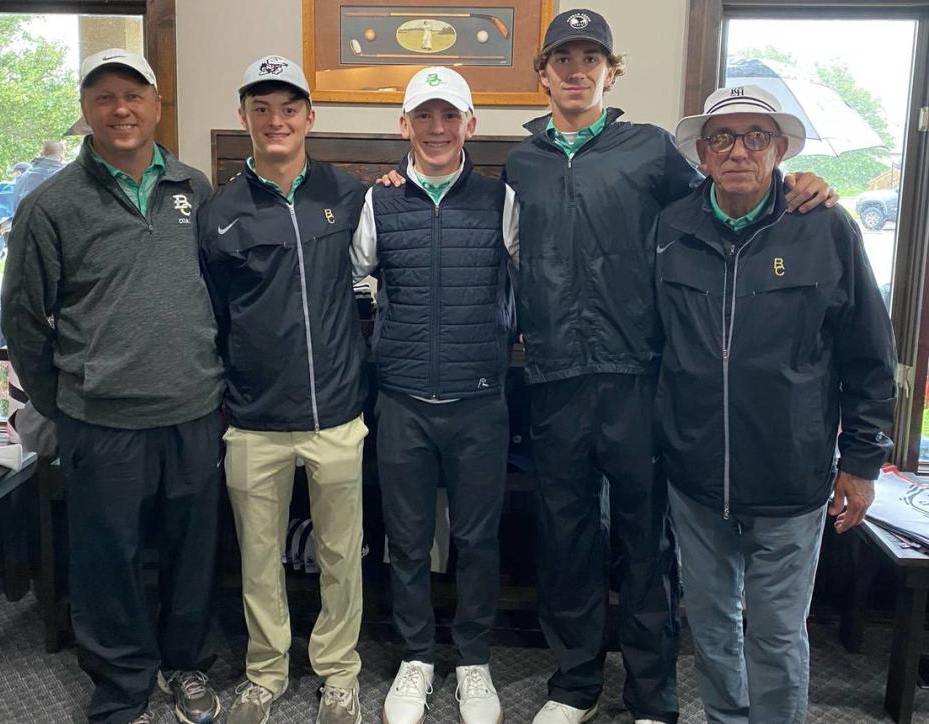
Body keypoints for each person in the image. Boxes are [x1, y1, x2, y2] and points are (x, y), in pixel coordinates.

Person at [501, 10, 837, 724]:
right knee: (566, 539)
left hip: (639, 378)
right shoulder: (521, 161)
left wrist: (800, 185)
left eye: (591, 58)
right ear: (544, 73)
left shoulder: (650, 150)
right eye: (563, 58)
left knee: (643, 542)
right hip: (555, 378)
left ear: (611, 72)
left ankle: (651, 695)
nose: (576, 70)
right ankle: (574, 685)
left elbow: (727, 199)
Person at [656, 84, 896, 724]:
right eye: (723, 139)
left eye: (756, 137)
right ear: (703, 154)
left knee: (776, 636)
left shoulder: (827, 228)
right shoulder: (670, 229)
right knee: (709, 632)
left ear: (780, 148)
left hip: (791, 475)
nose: (739, 151)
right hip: (696, 475)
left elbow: (869, 356)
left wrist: (863, 463)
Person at [2, 48, 225, 724]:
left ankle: (185, 665)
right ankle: (123, 681)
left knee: (193, 553)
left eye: (134, 95)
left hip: (193, 408)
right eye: (104, 98)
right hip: (101, 419)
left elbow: (218, 294)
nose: (120, 109)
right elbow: (23, 320)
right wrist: (61, 401)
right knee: (109, 560)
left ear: (157, 105)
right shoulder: (49, 206)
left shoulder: (194, 189)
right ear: (85, 111)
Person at [196, 55, 367, 724]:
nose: (276, 120)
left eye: (288, 107)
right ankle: (265, 673)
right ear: (243, 118)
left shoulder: (347, 191)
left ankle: (339, 672)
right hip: (253, 418)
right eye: (261, 108)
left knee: (340, 556)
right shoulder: (220, 212)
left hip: (336, 413)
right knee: (259, 558)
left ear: (309, 118)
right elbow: (211, 315)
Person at [350, 66, 515, 724]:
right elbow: (352, 273)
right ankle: (417, 657)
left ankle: (473, 661)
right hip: (403, 401)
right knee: (409, 541)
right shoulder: (378, 200)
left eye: (450, 116)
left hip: (481, 400)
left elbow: (537, 272)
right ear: (405, 127)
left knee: (478, 540)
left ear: (470, 125)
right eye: (425, 117)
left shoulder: (502, 199)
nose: (438, 129)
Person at [13, 140, 66, 206]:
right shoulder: (66, 177)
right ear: (61, 157)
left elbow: (14, 204)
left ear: (41, 154)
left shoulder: (25, 176)